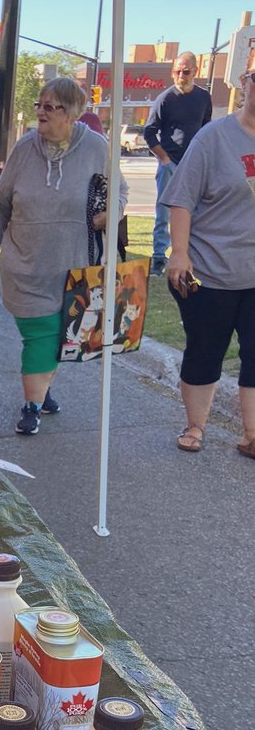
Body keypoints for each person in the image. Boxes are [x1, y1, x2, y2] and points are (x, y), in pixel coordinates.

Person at [0, 78, 128, 435]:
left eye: (50, 106)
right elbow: (0, 202)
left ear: (72, 113)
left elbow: (120, 191)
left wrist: (111, 214)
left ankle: (42, 391)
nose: (41, 113)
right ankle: (32, 405)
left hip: (74, 268)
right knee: (39, 335)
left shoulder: (96, 147)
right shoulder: (24, 148)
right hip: (25, 265)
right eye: (39, 105)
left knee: (60, 334)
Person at [163, 50, 255, 457]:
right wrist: (179, 252)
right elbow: (181, 199)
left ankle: (252, 435)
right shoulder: (214, 137)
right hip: (212, 269)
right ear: (245, 83)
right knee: (205, 351)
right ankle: (196, 426)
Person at [144, 52, 212, 276]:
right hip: (170, 164)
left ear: (195, 72)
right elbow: (149, 132)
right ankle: (158, 257)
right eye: (177, 72)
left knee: (196, 212)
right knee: (164, 212)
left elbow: (206, 128)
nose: (181, 76)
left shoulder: (204, 97)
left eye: (186, 72)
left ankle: (189, 255)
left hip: (195, 165)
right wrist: (164, 159)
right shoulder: (165, 98)